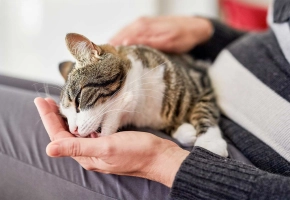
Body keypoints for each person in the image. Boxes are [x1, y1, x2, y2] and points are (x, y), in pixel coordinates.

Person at [1, 0, 290, 199]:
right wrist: (208, 32)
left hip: (214, 171)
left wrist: (164, 162)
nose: (75, 127)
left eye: (77, 108)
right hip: (197, 97)